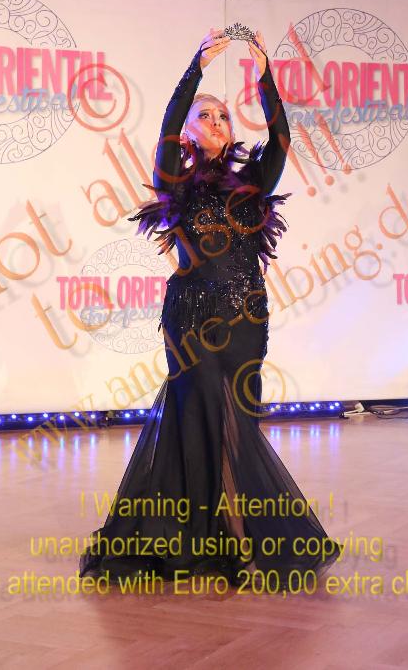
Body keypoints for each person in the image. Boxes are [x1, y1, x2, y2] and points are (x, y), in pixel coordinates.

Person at [78, 29, 341, 589]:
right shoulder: (174, 180)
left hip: (247, 317)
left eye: (223, 115)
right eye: (206, 115)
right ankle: (195, 537)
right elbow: (166, 127)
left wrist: (265, 75)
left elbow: (282, 136)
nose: (217, 121)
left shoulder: (254, 183)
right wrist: (194, 69)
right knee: (197, 416)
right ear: (190, 131)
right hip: (192, 317)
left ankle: (241, 535)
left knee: (238, 420)